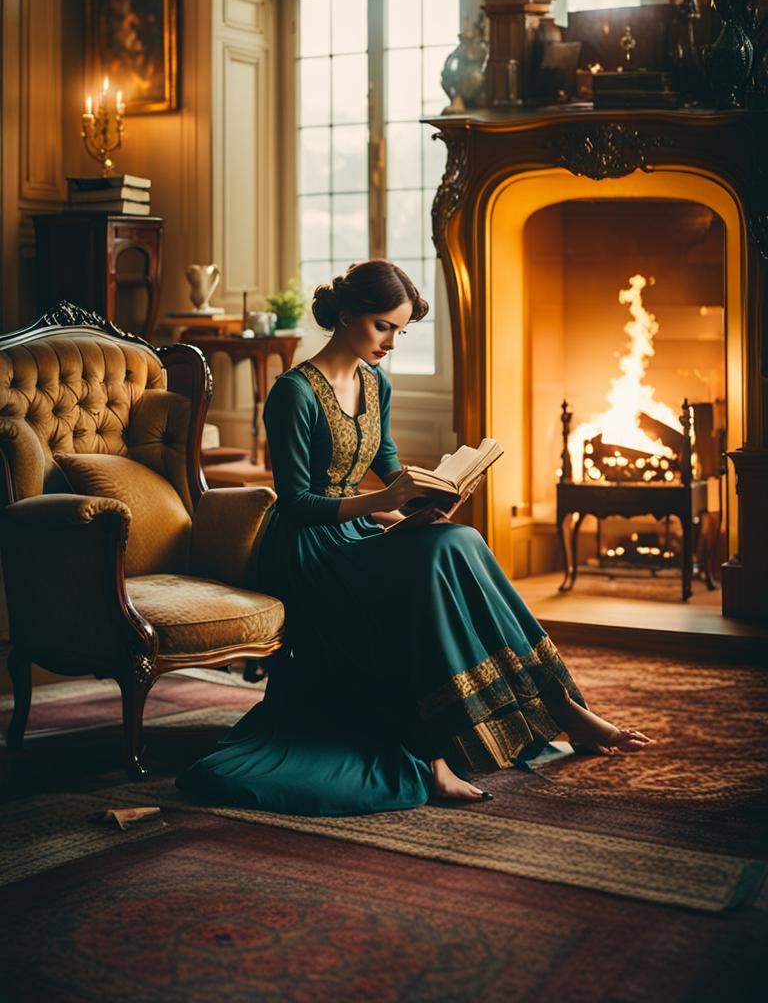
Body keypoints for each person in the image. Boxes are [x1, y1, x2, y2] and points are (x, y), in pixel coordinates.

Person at [178, 259, 653, 815]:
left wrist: (424, 502)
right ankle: (462, 748)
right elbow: (299, 505)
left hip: (357, 532)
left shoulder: (376, 383)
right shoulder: (293, 393)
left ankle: (562, 707)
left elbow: (390, 467)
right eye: (384, 326)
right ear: (348, 315)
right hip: (307, 552)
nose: (392, 342)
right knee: (448, 550)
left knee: (457, 540)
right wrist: (385, 505)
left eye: (401, 331)